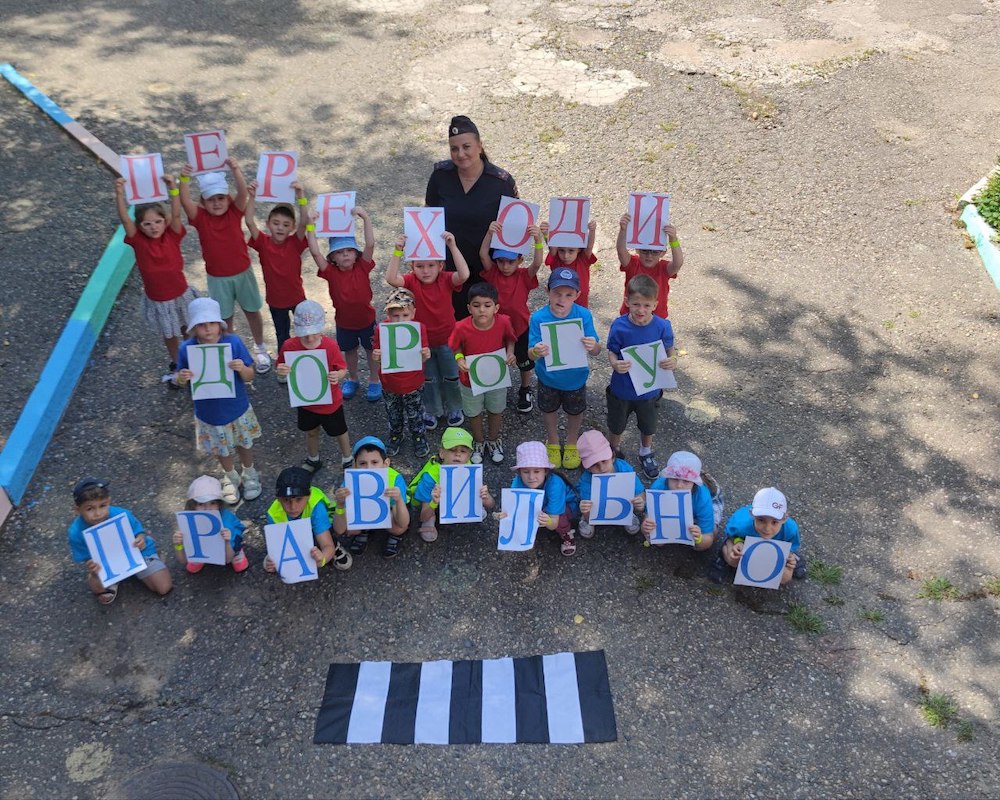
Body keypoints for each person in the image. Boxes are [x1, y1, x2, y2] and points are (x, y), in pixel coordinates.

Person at [178, 159, 272, 374]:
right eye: (211, 199)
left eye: (221, 198)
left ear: (228, 199)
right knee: (224, 318)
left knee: (252, 310)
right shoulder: (200, 218)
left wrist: (236, 169)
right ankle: (227, 352)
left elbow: (242, 193)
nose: (217, 203)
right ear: (203, 201)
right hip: (217, 278)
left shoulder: (234, 212)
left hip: (243, 273)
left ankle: (260, 347)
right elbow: (184, 200)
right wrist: (184, 178)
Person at [424, 115, 518, 318]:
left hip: (487, 269)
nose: (461, 154)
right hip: (449, 269)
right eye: (454, 149)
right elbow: (427, 217)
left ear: (480, 146)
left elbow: (514, 229)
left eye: (466, 146)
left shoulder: (500, 182)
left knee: (485, 327)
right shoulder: (440, 176)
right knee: (450, 324)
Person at [175, 297, 263, 504]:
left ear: (219, 324)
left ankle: (249, 473)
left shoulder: (233, 342)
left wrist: (242, 368)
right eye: (202, 325)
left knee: (243, 443)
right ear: (193, 328)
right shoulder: (186, 349)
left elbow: (250, 376)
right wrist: (181, 377)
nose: (208, 329)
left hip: (237, 409)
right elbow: (179, 380)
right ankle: (230, 476)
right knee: (220, 448)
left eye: (212, 323)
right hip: (209, 413)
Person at [114, 174, 198, 387]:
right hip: (159, 299)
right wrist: (119, 194)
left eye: (158, 221)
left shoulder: (173, 234)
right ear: (140, 226)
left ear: (165, 221)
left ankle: (195, 362)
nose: (154, 227)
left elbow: (177, 214)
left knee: (188, 329)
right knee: (169, 334)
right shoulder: (138, 241)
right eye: (147, 223)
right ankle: (177, 362)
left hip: (180, 294)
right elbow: (125, 219)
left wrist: (173, 190)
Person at [386, 232, 470, 430]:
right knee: (429, 379)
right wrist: (398, 250)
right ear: (412, 267)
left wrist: (453, 246)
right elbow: (391, 278)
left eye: (431, 265)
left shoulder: (446, 279)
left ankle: (455, 407)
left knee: (451, 376)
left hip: (449, 341)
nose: (425, 271)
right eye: (420, 266)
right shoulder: (410, 281)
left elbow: (464, 275)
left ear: (440, 266)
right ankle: (432, 409)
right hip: (421, 344)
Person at [527, 268, 602, 469]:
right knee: (548, 409)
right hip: (548, 378)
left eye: (569, 295)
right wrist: (536, 351)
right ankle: (552, 441)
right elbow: (530, 354)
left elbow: (596, 350)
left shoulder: (584, 315)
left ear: (578, 295)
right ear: (547, 291)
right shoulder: (538, 318)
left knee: (575, 411)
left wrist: (592, 345)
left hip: (575, 378)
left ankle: (571, 443)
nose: (562, 299)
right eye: (557, 293)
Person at [606, 274, 677, 478]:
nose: (641, 310)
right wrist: (614, 363)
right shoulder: (619, 326)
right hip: (622, 389)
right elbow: (612, 350)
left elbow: (670, 349)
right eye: (636, 304)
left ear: (656, 304)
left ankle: (646, 451)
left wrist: (673, 361)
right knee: (616, 423)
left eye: (646, 305)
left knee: (648, 425)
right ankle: (614, 448)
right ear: (626, 302)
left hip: (649, 391)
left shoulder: (663, 326)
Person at [307, 207, 381, 401]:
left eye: (349, 250)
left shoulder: (362, 266)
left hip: (367, 320)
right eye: (339, 252)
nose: (346, 255)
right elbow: (315, 253)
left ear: (356, 253)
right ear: (332, 258)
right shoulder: (331, 272)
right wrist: (310, 226)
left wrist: (365, 217)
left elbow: (371, 244)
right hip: (344, 323)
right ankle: (353, 378)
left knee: (372, 350)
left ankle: (374, 380)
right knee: (349, 352)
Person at [67, 477, 173, 605]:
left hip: (136, 553)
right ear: (78, 510)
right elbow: (88, 559)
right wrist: (94, 570)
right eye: (90, 509)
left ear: (109, 502)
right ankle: (116, 578)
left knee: (163, 588)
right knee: (97, 588)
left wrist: (141, 539)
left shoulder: (122, 515)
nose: (98, 513)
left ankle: (142, 565)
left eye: (103, 506)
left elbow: (139, 532)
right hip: (106, 563)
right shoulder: (76, 533)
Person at [275, 300, 352, 475]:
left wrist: (338, 375)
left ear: (321, 328)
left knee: (340, 431)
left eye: (313, 333)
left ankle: (347, 458)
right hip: (306, 404)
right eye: (304, 334)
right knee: (310, 432)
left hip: (331, 402)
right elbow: (280, 370)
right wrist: (281, 372)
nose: (309, 338)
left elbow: (343, 368)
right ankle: (313, 458)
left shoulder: (330, 346)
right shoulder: (289, 347)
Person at [479, 220, 544, 413]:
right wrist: (489, 234)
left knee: (525, 362)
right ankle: (495, 388)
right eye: (500, 261)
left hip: (521, 328)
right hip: (497, 328)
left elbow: (538, 263)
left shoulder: (524, 275)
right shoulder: (493, 274)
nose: (505, 266)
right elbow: (483, 254)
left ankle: (525, 388)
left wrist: (538, 240)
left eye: (510, 261)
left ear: (520, 260)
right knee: (497, 359)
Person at [449, 282, 517, 464]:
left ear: (496, 307)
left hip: (496, 378)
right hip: (469, 380)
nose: (482, 310)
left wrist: (510, 352)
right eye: (476, 305)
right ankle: (479, 441)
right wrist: (459, 359)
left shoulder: (504, 322)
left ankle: (494, 440)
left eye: (487, 305)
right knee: (474, 412)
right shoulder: (461, 327)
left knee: (496, 409)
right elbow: (456, 346)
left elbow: (510, 339)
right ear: (469, 308)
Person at [244, 179, 308, 368]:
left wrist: (301, 197)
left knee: (305, 331)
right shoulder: (263, 242)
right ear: (268, 224)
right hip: (275, 301)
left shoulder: (295, 242)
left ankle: (307, 362)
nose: (280, 227)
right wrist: (252, 197)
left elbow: (305, 221)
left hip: (297, 298)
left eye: (285, 224)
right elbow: (248, 221)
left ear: (292, 228)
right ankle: (284, 366)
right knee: (283, 335)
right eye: (276, 223)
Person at [408, 427, 495, 543]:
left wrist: (486, 497)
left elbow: (491, 504)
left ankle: (471, 506)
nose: (458, 455)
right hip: (432, 502)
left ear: (469, 456)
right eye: (452, 450)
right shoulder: (430, 478)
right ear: (442, 453)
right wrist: (434, 502)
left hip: (456, 496)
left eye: (463, 451)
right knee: (428, 513)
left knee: (474, 495)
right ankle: (430, 522)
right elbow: (422, 516)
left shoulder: (470, 470)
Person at [371, 288, 431, 458]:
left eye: (405, 315)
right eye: (395, 316)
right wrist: (377, 356)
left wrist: (426, 354)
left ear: (413, 313)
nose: (400, 320)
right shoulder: (381, 330)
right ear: (388, 315)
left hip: (413, 382)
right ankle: (396, 434)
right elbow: (377, 354)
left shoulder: (419, 329)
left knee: (415, 413)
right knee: (393, 412)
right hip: (390, 383)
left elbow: (423, 356)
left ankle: (418, 436)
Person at [263, 467, 352, 579]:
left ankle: (336, 547)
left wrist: (323, 559)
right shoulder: (273, 515)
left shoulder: (316, 506)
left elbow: (327, 545)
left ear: (309, 496)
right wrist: (270, 560)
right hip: (299, 536)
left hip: (318, 528)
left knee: (326, 536)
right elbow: (278, 546)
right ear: (278, 499)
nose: (293, 507)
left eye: (299, 499)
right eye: (286, 500)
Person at [331, 436, 410, 559]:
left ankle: (393, 535)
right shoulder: (349, 484)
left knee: (399, 528)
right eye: (363, 463)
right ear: (354, 465)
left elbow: (404, 522)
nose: (369, 468)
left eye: (374, 462)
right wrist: (340, 505)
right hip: (364, 513)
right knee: (348, 528)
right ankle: (364, 530)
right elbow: (339, 529)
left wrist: (399, 500)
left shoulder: (395, 479)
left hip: (389, 513)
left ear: (386, 464)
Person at [708, 487, 805, 585]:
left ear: (784, 519)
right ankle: (723, 558)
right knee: (732, 559)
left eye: (774, 522)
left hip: (772, 553)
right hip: (745, 546)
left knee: (785, 577)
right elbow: (731, 535)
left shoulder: (791, 529)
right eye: (761, 520)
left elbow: (791, 545)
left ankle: (795, 560)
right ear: (752, 515)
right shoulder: (741, 524)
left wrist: (789, 557)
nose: (767, 528)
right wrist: (738, 542)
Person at [504, 441, 578, 556]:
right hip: (540, 507)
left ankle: (566, 533)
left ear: (546, 470)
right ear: (519, 472)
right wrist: (505, 516)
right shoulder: (517, 482)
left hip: (562, 508)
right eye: (526, 471)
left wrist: (548, 521)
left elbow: (554, 522)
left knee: (561, 520)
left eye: (537, 471)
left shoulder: (555, 485)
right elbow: (515, 507)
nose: (531, 477)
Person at [574, 430, 644, 540]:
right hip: (596, 506)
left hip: (623, 504)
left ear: (613, 456)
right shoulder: (586, 480)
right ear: (586, 467)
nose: (601, 468)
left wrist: (639, 501)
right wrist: (585, 511)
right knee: (585, 507)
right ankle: (588, 520)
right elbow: (586, 501)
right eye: (594, 465)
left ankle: (627, 513)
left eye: (604, 461)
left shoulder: (625, 470)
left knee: (631, 502)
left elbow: (639, 492)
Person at [171, 475, 250, 573]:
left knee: (234, 537)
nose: (207, 509)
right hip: (207, 546)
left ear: (219, 504)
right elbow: (182, 560)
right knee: (194, 542)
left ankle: (238, 552)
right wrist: (178, 545)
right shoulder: (188, 522)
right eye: (200, 504)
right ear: (192, 505)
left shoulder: (226, 523)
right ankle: (200, 555)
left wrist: (226, 542)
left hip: (229, 546)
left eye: (212, 503)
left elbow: (227, 560)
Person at [642, 451, 717, 551]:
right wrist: (646, 527)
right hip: (674, 511)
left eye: (686, 481)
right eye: (674, 479)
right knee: (657, 541)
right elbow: (648, 518)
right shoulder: (657, 487)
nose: (679, 485)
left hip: (709, 501)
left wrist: (699, 538)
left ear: (694, 483)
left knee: (707, 539)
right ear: (668, 478)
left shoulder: (702, 497)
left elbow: (708, 537)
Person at [616, 213, 685, 319]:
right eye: (644, 251)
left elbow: (678, 263)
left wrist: (673, 240)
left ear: (663, 253)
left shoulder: (663, 268)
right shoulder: (633, 264)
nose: (649, 256)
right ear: (637, 249)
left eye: (655, 252)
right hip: (630, 317)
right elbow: (621, 252)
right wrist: (623, 230)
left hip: (656, 319)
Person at [540, 218, 597, 308]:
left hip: (580, 305)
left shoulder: (583, 259)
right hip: (558, 306)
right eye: (561, 250)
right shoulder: (556, 259)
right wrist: (546, 234)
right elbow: (552, 245)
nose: (566, 255)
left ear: (579, 250)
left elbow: (589, 246)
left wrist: (592, 231)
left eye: (571, 251)